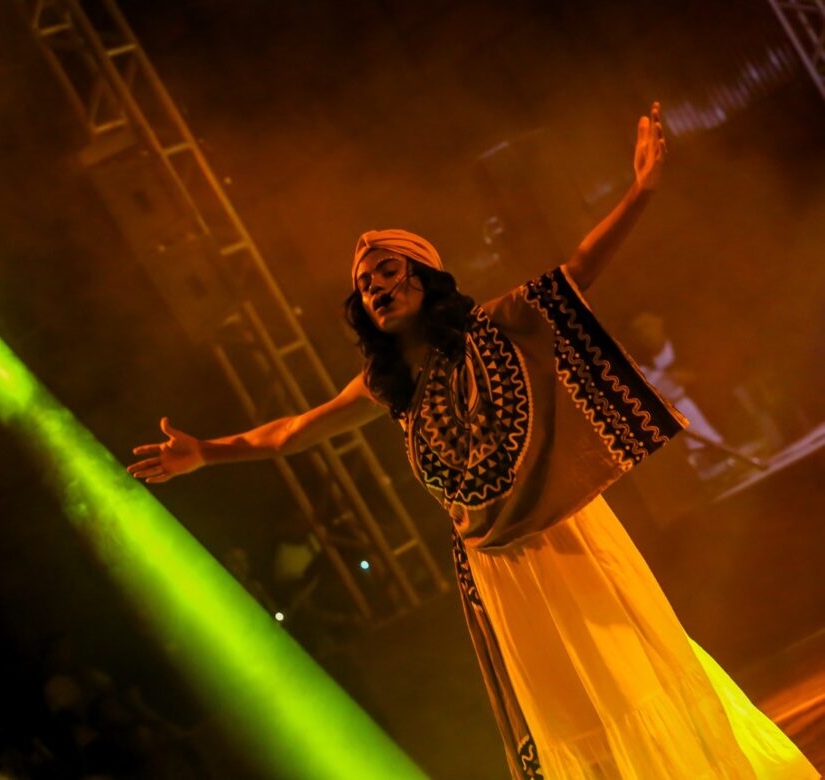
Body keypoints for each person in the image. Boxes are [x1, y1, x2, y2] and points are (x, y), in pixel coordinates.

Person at [127, 103, 818, 779]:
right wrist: (208, 451)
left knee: (631, 677)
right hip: (498, 568)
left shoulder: (497, 324)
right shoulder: (385, 387)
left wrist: (641, 191)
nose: (376, 288)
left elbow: (580, 267)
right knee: (570, 716)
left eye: (389, 271)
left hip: (563, 534)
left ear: (425, 277)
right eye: (365, 285)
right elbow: (292, 432)